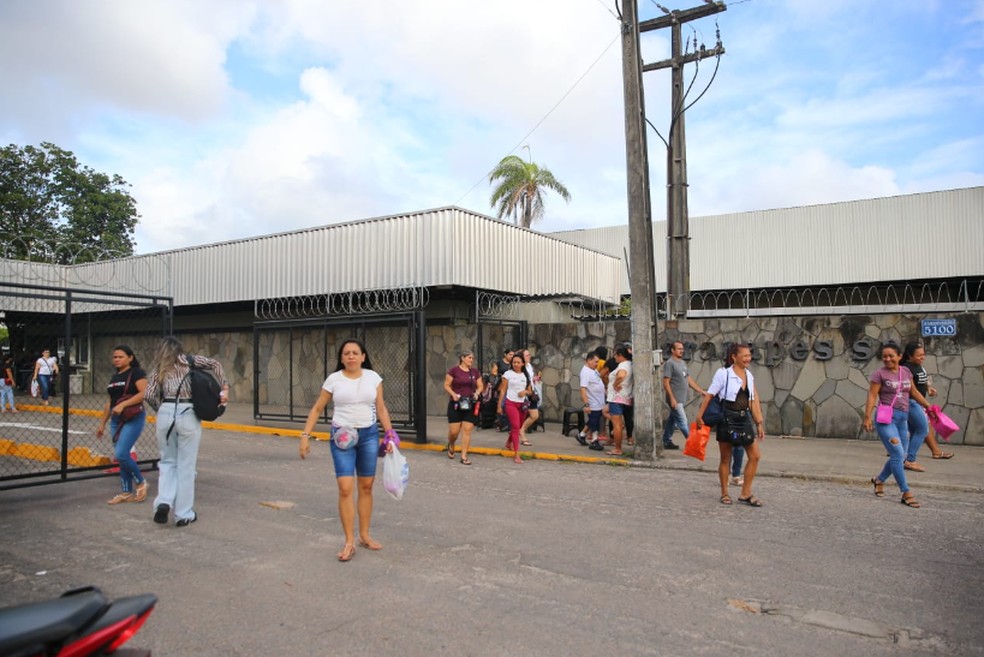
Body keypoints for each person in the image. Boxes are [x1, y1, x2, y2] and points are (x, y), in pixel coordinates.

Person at [299, 339, 398, 562]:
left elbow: (381, 408)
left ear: (363, 356)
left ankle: (364, 535)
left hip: (369, 436)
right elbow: (317, 408)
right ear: (341, 358)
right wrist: (305, 436)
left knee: (366, 486)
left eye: (355, 353)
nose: (351, 356)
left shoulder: (373, 378)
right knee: (345, 488)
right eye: (346, 353)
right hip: (342, 437)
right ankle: (349, 541)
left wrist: (390, 434)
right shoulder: (334, 380)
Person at [145, 336, 229, 527]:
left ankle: (164, 501)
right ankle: (183, 514)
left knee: (167, 462)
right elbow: (214, 363)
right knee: (186, 466)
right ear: (179, 349)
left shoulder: (158, 369)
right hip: (188, 412)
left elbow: (149, 394)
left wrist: (162, 408)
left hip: (166, 412)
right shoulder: (190, 361)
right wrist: (224, 386)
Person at [863, 343, 932, 508]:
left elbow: (914, 393)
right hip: (887, 421)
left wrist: (930, 408)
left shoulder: (906, 372)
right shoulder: (879, 374)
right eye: (884, 356)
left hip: (903, 420)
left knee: (900, 456)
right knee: (897, 454)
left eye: (891, 356)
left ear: (899, 356)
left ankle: (879, 480)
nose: (887, 359)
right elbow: (872, 395)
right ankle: (906, 492)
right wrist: (867, 417)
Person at [696, 343, 766, 507]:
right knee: (726, 458)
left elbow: (752, 401)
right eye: (745, 356)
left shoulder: (749, 375)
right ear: (734, 357)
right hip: (727, 419)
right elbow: (709, 395)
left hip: (744, 420)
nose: (748, 359)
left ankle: (745, 493)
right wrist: (700, 417)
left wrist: (759, 423)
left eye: (749, 356)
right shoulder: (723, 374)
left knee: (755, 456)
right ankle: (724, 493)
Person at [95, 345, 149, 505]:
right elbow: (109, 402)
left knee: (121, 453)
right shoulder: (115, 377)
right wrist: (102, 424)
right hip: (116, 420)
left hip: (132, 417)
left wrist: (124, 405)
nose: (117, 359)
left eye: (120, 357)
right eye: (115, 357)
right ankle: (126, 492)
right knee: (121, 456)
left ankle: (141, 482)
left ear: (130, 358)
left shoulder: (136, 373)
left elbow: (144, 393)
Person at [901, 342, 953, 463]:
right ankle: (909, 459)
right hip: (911, 403)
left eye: (923, 354)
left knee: (916, 430)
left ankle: (904, 455)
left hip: (919, 403)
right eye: (919, 355)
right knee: (923, 429)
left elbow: (921, 381)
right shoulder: (906, 368)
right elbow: (912, 391)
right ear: (910, 355)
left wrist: (928, 388)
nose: (922, 357)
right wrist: (927, 405)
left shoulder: (919, 366)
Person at [661, 341, 705, 450]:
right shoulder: (670, 364)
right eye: (679, 349)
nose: (682, 351)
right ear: (672, 350)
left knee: (672, 421)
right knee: (683, 422)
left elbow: (688, 379)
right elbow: (666, 382)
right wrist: (671, 398)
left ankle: (666, 440)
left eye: (682, 349)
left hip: (681, 399)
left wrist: (700, 390)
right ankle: (694, 444)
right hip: (675, 399)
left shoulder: (682, 363)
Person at [443, 350, 483, 465]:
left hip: (470, 404)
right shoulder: (454, 371)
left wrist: (477, 393)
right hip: (456, 404)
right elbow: (446, 385)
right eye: (469, 358)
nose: (472, 360)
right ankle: (451, 444)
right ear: (462, 358)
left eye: (472, 358)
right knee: (454, 432)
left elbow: (480, 386)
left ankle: (464, 456)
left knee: (467, 430)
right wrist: (453, 394)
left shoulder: (475, 372)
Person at [497, 353, 531, 464]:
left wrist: (525, 392)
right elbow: (502, 390)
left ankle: (508, 443)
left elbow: (530, 391)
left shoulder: (525, 376)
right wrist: (499, 405)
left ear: (523, 364)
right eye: (514, 362)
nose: (516, 364)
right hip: (510, 403)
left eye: (518, 362)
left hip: (522, 404)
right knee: (516, 427)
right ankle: (517, 454)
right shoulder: (508, 374)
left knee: (519, 425)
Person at [605, 345, 633, 456]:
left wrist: (616, 384)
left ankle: (617, 448)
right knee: (607, 413)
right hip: (625, 397)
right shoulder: (630, 364)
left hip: (617, 398)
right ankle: (618, 440)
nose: (614, 358)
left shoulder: (623, 365)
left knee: (616, 424)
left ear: (620, 355)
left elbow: (621, 376)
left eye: (615, 355)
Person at [578, 352, 606, 451]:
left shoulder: (593, 370)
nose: (597, 364)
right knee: (595, 422)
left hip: (599, 401)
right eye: (595, 362)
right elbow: (583, 389)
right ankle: (594, 440)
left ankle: (581, 435)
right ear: (589, 360)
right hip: (593, 402)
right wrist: (587, 404)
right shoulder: (585, 372)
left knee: (593, 420)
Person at [519, 348, 540, 446]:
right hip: (524, 394)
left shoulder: (529, 366)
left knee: (534, 415)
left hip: (532, 392)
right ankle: (521, 434)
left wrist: (534, 379)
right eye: (527, 355)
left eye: (529, 355)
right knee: (521, 416)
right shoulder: (520, 367)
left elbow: (530, 379)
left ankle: (521, 430)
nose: (529, 356)